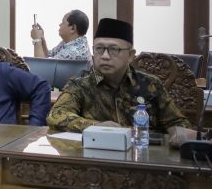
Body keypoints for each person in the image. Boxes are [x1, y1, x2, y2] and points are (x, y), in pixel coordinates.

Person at [47, 18, 195, 145]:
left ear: (130, 55)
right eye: (99, 49)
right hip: (96, 158)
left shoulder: (150, 84)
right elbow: (57, 115)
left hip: (144, 158)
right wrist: (96, 126)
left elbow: (177, 123)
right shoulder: (80, 84)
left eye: (113, 49)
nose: (105, 56)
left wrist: (178, 133)